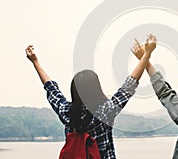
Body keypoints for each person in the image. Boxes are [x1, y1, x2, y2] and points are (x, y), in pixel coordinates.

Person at [26, 34, 157, 159]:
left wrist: (35, 61)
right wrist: (146, 55)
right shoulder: (105, 112)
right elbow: (129, 85)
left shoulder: (67, 112)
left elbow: (52, 89)